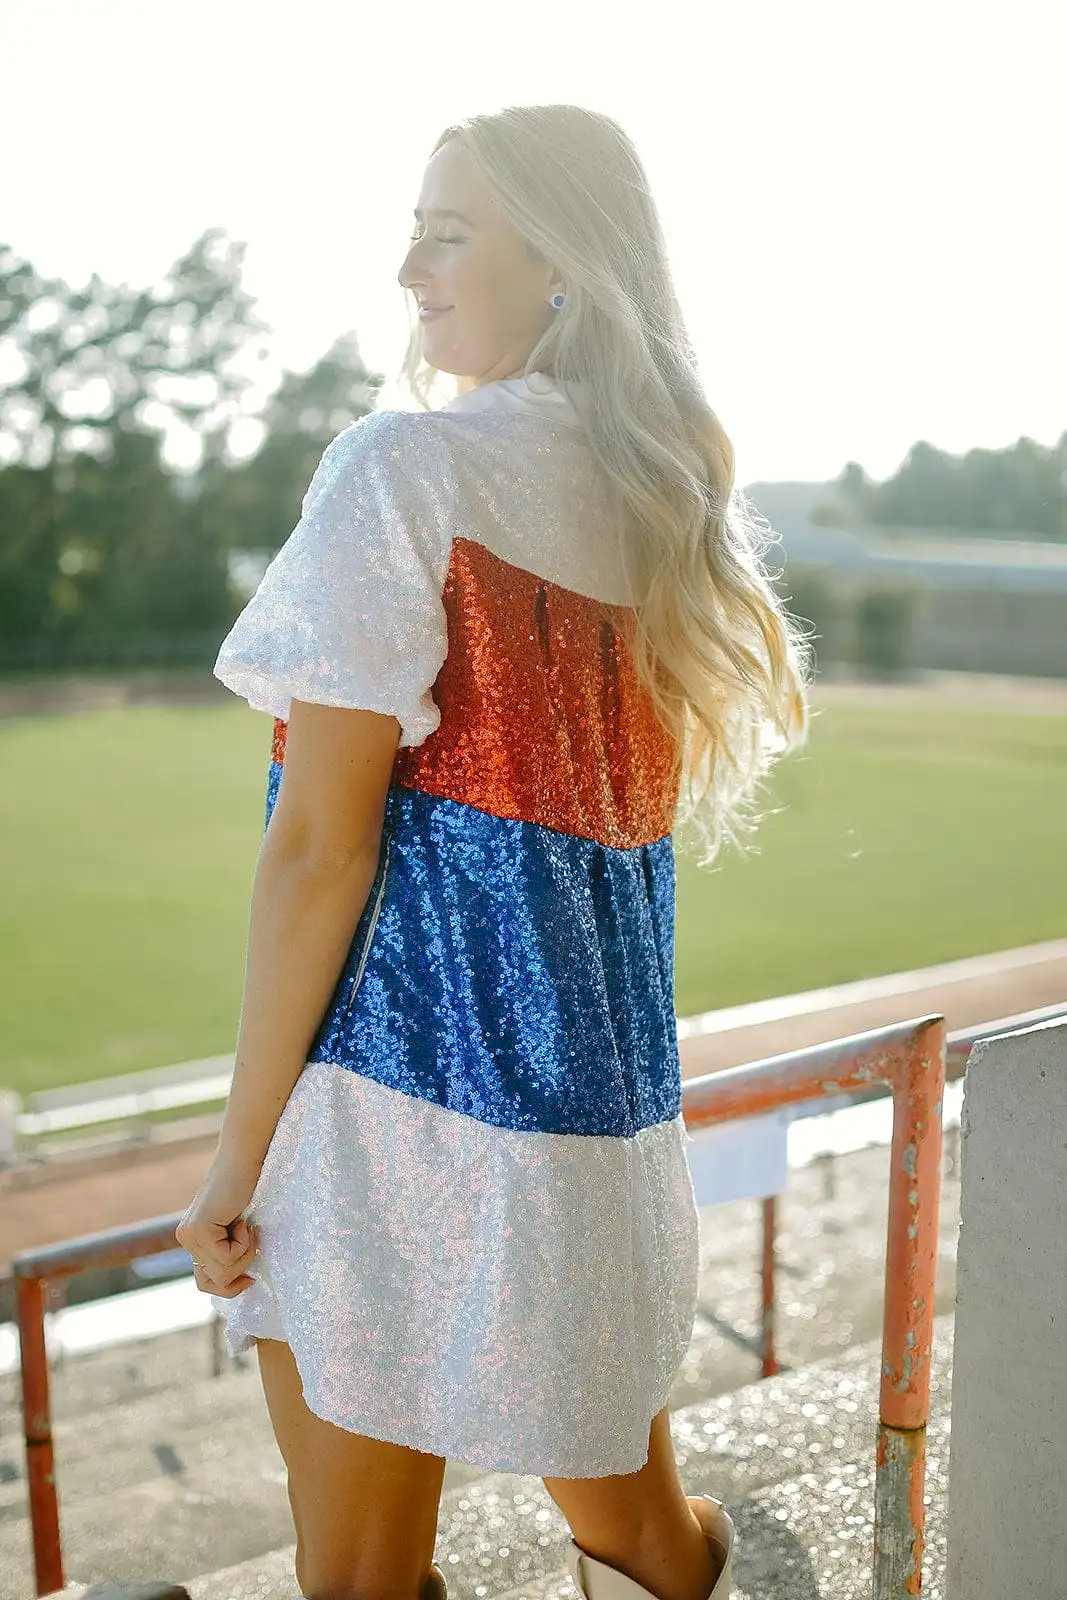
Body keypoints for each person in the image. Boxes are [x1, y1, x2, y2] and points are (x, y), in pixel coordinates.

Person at [176, 103, 810, 1600]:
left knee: (357, 1580)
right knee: (643, 1541)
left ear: (566, 267)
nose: (408, 268)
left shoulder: (402, 470)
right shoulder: (666, 512)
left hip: (388, 1120)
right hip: (596, 1131)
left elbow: (320, 853)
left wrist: (234, 1153)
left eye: (446, 231)